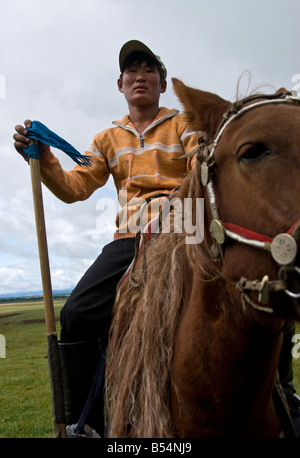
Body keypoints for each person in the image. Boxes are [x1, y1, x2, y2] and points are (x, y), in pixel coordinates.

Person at [13, 40, 201, 434]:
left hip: (185, 231)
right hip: (130, 238)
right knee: (76, 313)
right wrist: (43, 159)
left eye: (149, 70)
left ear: (162, 84)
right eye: (132, 70)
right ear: (120, 84)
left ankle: (283, 391)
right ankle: (88, 425)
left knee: (255, 280)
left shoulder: (185, 123)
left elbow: (203, 163)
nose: (140, 76)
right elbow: (75, 186)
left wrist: (187, 190)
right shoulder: (106, 138)